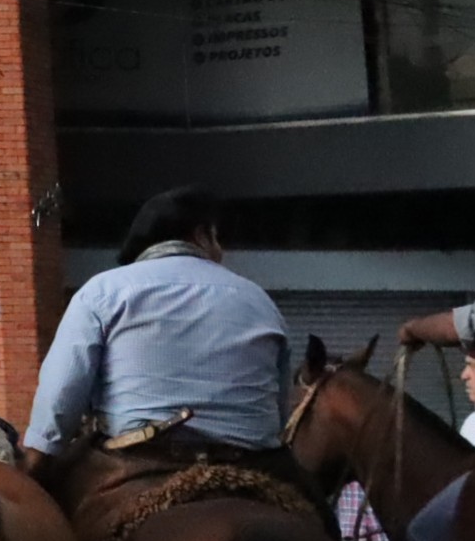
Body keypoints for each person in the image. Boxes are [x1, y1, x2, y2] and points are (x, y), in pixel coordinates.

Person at [28, 186, 295, 467]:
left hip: (137, 457)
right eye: (217, 238)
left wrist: (38, 457)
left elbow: (61, 392)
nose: (221, 250)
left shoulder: (102, 291)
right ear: (201, 235)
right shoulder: (258, 299)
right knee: (315, 504)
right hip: (249, 463)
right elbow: (280, 407)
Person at [390, 299, 475, 541]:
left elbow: (458, 324)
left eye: (472, 366)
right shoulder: (473, 424)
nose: (463, 376)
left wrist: (411, 329)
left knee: (424, 533)